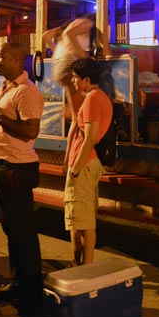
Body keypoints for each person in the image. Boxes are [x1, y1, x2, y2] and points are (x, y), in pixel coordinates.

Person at [0, 42, 45, 313]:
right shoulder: (6, 88)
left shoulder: (26, 92)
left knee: (23, 234)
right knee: (13, 231)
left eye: (1, 56)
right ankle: (18, 285)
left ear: (17, 59)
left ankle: (30, 297)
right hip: (5, 167)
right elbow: (1, 122)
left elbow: (31, 130)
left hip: (17, 169)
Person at [63, 58, 113, 266]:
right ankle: (78, 263)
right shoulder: (97, 97)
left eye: (75, 78)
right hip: (84, 162)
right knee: (79, 217)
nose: (73, 81)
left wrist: (75, 168)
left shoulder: (93, 99)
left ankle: (86, 266)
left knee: (84, 220)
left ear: (86, 79)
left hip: (84, 163)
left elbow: (90, 137)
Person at [44, 14, 102, 121]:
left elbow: (46, 35)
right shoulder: (87, 22)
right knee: (79, 115)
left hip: (59, 66)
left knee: (76, 114)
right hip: (68, 66)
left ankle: (66, 114)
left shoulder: (72, 25)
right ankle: (74, 125)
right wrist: (85, 57)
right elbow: (69, 34)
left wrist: (56, 52)